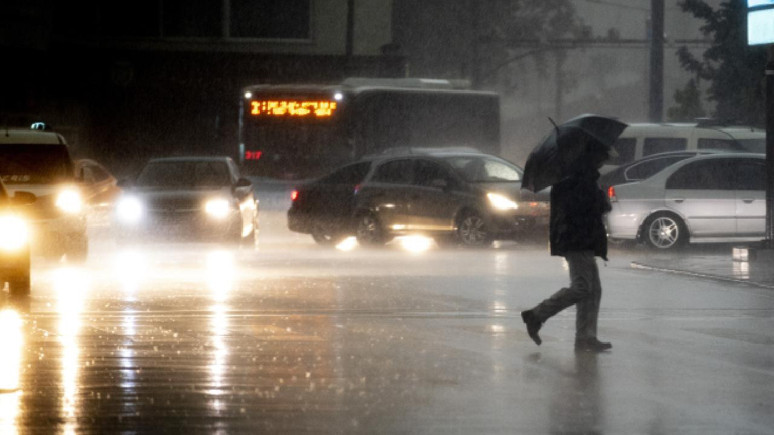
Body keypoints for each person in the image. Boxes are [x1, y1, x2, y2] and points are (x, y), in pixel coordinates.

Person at [521, 139, 613, 352]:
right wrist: (600, 200)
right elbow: (586, 208)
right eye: (601, 157)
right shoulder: (578, 179)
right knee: (582, 287)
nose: (603, 162)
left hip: (582, 239)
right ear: (592, 157)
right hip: (577, 239)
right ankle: (536, 315)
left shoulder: (580, 176)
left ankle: (586, 337)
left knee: (593, 289)